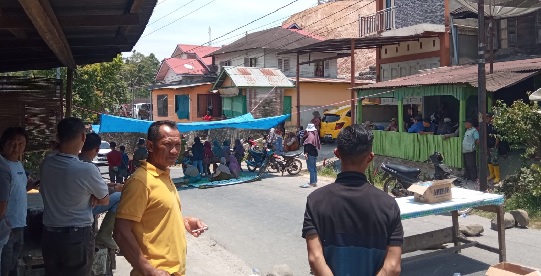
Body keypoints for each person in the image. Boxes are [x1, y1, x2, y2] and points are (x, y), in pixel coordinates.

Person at [302, 124, 403, 276]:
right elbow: (393, 267)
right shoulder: (388, 204)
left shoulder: (315, 201)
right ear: (370, 157)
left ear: (337, 154)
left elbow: (315, 258)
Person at [114, 120, 207, 276]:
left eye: (178, 145)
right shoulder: (141, 181)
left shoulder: (163, 174)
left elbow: (155, 214)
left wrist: (184, 221)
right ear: (150, 146)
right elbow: (121, 232)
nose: (174, 151)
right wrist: (147, 270)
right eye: (167, 144)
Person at [41, 117, 110, 275]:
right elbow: (104, 199)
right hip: (76, 237)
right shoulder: (86, 170)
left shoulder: (47, 163)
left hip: (49, 235)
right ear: (83, 137)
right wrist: (92, 194)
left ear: (58, 137)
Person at [0, 127, 39, 275]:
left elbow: (16, 190)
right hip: (6, 226)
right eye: (12, 143)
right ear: (3, 143)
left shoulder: (18, 164)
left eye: (21, 144)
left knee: (13, 265)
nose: (16, 148)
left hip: (19, 223)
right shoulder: (3, 166)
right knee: (4, 267)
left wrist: (29, 186)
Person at [79, 133, 123, 250]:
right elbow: (103, 197)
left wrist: (104, 187)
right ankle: (105, 234)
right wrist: (114, 188)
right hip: (85, 208)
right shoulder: (89, 166)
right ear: (97, 149)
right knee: (121, 196)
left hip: (80, 205)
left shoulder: (75, 161)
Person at [301, 124, 321, 188]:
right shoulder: (314, 135)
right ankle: (314, 182)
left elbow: (308, 146)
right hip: (314, 153)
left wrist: (306, 154)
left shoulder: (310, 136)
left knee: (311, 168)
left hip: (310, 154)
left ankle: (312, 182)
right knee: (314, 168)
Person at [486, 113, 501, 183]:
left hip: (493, 146)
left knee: (495, 161)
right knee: (489, 160)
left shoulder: (495, 126)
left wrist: (495, 145)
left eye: (488, 117)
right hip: (487, 146)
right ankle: (492, 175)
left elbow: (498, 136)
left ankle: (498, 177)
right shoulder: (486, 125)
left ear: (492, 118)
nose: (486, 119)